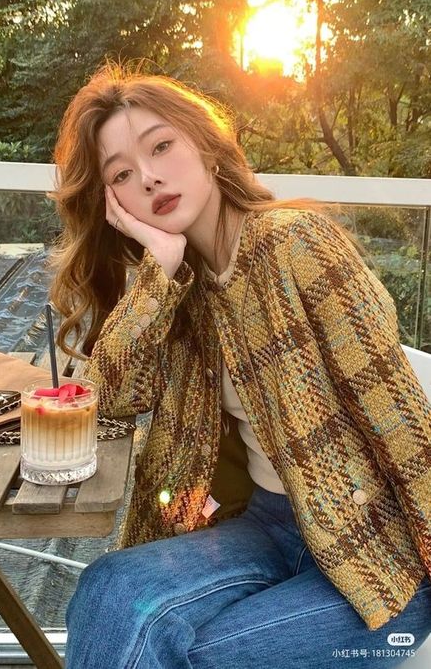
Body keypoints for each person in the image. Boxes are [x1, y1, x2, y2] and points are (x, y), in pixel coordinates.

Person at [48, 60, 431, 669]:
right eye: (121, 174)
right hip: (268, 528)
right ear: (113, 202)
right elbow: (108, 400)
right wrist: (159, 270)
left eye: (162, 146)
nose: (148, 177)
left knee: (191, 656)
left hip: (378, 555)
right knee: (108, 592)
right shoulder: (180, 289)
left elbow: (400, 419)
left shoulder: (296, 244)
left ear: (207, 146)